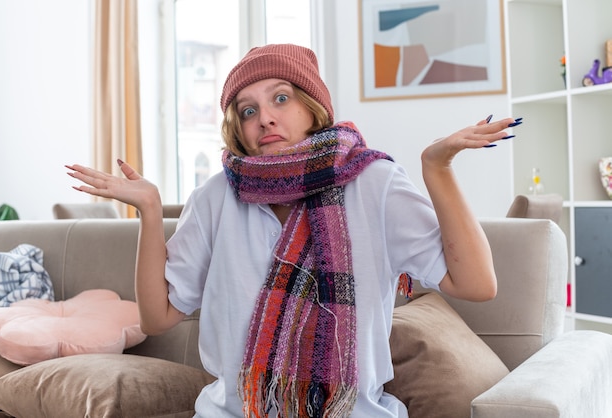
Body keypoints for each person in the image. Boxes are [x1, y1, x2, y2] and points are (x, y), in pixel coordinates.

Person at [66, 44, 519, 418]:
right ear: (237, 129)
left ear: (312, 104)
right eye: (248, 110)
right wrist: (148, 208)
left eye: (280, 98)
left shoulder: (373, 184)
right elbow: (157, 317)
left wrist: (436, 167)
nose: (264, 117)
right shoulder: (216, 197)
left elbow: (477, 284)